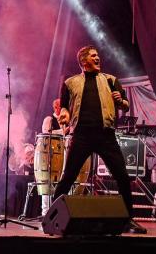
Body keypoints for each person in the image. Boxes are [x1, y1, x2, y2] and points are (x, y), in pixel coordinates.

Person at [52, 45, 146, 234]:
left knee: (122, 176)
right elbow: (63, 107)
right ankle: (52, 216)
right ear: (83, 61)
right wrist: (63, 114)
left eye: (98, 56)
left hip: (106, 135)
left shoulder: (111, 80)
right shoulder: (70, 83)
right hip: (81, 135)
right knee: (68, 177)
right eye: (94, 56)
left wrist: (121, 100)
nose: (98, 59)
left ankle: (128, 219)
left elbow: (126, 106)